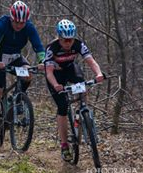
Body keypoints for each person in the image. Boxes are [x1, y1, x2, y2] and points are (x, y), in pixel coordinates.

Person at [44, 19, 104, 161]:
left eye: (70, 40)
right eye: (65, 40)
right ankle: (64, 145)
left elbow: (91, 61)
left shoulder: (78, 44)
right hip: (55, 75)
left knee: (82, 85)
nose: (68, 43)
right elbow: (49, 72)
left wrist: (99, 73)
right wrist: (56, 85)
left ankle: (82, 115)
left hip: (70, 69)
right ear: (59, 38)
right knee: (63, 107)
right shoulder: (51, 48)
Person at [0, 1, 45, 145]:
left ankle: (17, 98)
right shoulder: (1, 24)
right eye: (16, 22)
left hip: (15, 57)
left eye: (22, 23)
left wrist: (43, 61)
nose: (19, 26)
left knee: (28, 74)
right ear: (11, 18)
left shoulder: (29, 27)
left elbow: (39, 47)